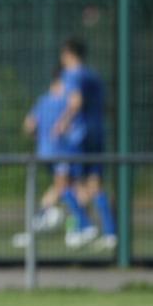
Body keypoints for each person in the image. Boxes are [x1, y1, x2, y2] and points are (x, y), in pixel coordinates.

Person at [55, 38, 116, 250]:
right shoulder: (94, 75)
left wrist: (62, 124)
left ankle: (85, 225)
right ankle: (110, 233)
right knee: (95, 184)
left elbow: (75, 102)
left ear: (69, 54)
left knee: (64, 182)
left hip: (78, 136)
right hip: (97, 133)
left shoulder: (72, 74)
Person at [11, 69, 70, 248]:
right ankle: (40, 220)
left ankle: (46, 218)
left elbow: (29, 125)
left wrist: (40, 137)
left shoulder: (43, 100)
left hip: (44, 152)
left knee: (62, 187)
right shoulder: (65, 102)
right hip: (61, 152)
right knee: (65, 187)